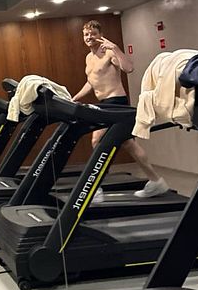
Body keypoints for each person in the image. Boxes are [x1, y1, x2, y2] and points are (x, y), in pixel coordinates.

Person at [72, 20, 168, 200]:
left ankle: (96, 187)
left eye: (93, 33)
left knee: (97, 140)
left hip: (116, 102)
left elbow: (128, 68)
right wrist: (75, 97)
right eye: (86, 34)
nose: (89, 37)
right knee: (128, 144)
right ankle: (156, 182)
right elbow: (91, 82)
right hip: (105, 103)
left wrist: (115, 48)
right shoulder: (88, 58)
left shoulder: (109, 52)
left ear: (100, 35)